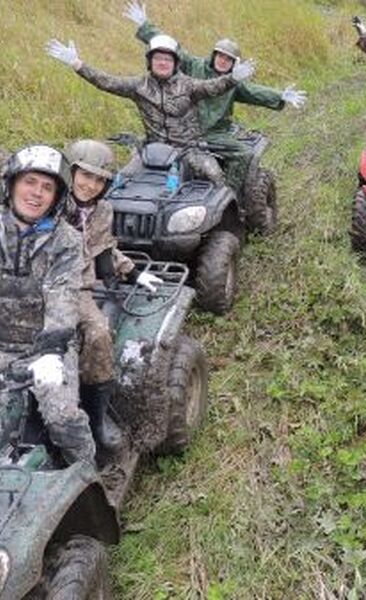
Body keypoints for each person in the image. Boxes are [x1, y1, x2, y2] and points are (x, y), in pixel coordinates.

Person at [123, 1, 307, 194]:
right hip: (183, 129)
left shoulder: (233, 83)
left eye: (228, 59)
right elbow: (171, 49)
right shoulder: (195, 66)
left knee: (245, 154)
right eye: (220, 55)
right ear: (213, 55)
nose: (222, 61)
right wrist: (144, 25)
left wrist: (281, 95)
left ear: (234, 64)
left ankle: (231, 194)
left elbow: (255, 92)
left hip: (215, 133)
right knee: (145, 152)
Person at [45, 34, 255, 185]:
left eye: (167, 59)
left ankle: (237, 219)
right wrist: (77, 64)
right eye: (158, 58)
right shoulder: (138, 86)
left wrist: (233, 78)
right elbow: (106, 81)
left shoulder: (189, 85)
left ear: (175, 63)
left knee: (216, 179)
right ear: (150, 62)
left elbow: (212, 87)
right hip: (152, 151)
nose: (162, 62)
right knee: (120, 182)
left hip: (189, 150)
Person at [64, 140, 163, 454]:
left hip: (76, 287)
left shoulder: (103, 210)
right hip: (36, 283)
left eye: (99, 180)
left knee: (99, 334)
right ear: (71, 171)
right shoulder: (52, 200)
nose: (90, 185)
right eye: (85, 175)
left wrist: (133, 272)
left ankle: (97, 417)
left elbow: (104, 249)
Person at [0, 145, 95, 465]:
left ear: (56, 197)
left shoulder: (65, 239)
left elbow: (63, 295)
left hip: (46, 347)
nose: (37, 193)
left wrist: (52, 351)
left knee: (63, 418)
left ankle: (88, 474)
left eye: (47, 187)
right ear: (12, 184)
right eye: (30, 182)